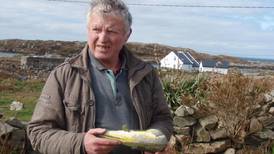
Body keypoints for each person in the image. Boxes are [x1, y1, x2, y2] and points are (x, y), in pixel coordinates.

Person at [27, 0, 173, 153]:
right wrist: (81, 143)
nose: (103, 38)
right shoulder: (63, 75)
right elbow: (38, 132)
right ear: (88, 30)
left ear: (127, 35)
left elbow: (162, 119)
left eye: (111, 31)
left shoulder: (146, 74)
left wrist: (155, 138)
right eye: (96, 29)